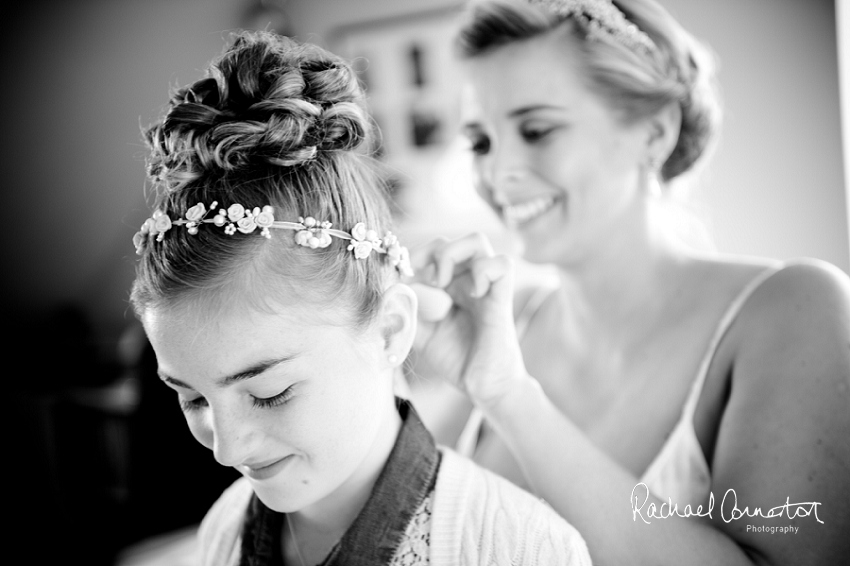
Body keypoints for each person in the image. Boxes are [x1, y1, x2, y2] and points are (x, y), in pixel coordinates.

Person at [407, 0, 850, 564]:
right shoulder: (503, 323)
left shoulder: (794, 309)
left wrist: (511, 399)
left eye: (537, 130)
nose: (496, 174)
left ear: (655, 133)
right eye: (481, 143)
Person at [129, 30, 591, 566]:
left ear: (390, 329)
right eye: (192, 399)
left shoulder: (522, 549)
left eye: (270, 392)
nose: (227, 450)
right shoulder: (223, 533)